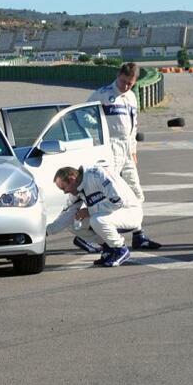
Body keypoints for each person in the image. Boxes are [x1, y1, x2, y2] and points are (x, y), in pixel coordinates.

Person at [80, 62, 161, 252]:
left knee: (135, 193)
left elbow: (134, 125)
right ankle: (91, 235)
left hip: (127, 149)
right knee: (108, 192)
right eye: (124, 82)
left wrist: (133, 149)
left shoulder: (132, 97)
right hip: (110, 148)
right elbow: (83, 113)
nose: (126, 87)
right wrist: (93, 124)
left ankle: (138, 234)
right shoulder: (102, 93)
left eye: (130, 84)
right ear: (118, 75)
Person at [47, 164, 142, 267]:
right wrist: (46, 231)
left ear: (72, 179)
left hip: (129, 212)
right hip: (108, 214)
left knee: (97, 220)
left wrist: (89, 211)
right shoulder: (76, 189)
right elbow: (67, 214)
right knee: (73, 223)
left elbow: (118, 201)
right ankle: (108, 248)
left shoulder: (98, 174)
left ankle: (120, 249)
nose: (65, 192)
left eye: (63, 188)